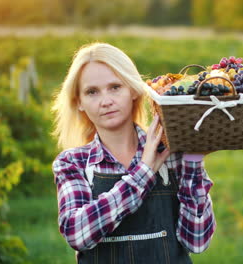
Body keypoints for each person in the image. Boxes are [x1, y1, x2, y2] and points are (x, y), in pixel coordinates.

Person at [51, 42, 216, 263]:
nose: (106, 101)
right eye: (92, 92)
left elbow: (197, 241)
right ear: (79, 102)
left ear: (133, 91)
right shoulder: (73, 163)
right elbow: (77, 233)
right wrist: (144, 172)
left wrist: (194, 160)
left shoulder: (171, 153)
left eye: (115, 87)